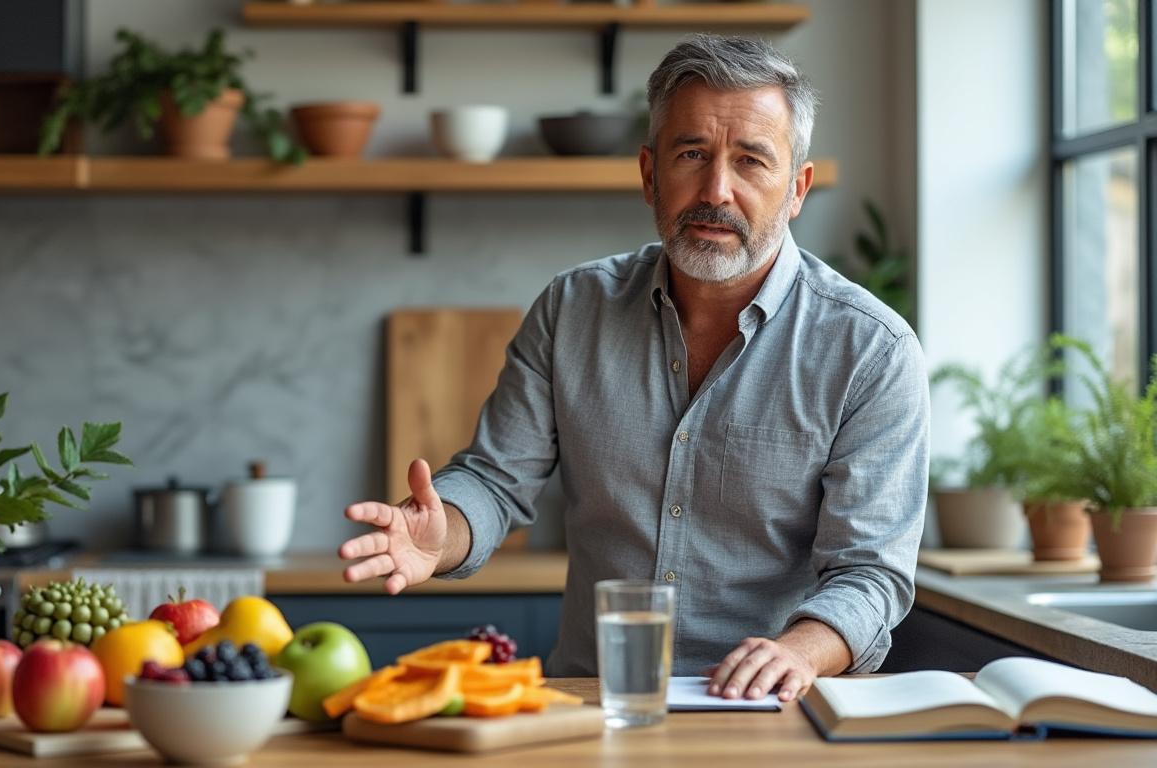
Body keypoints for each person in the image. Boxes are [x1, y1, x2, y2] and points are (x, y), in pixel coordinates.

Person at [338, 34, 929, 705]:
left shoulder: (871, 351)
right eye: (691, 154)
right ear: (650, 174)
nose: (717, 190)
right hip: (596, 704)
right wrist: (442, 532)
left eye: (751, 161)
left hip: (770, 713)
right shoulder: (571, 309)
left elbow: (870, 574)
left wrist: (797, 652)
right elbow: (495, 482)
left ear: (796, 189)